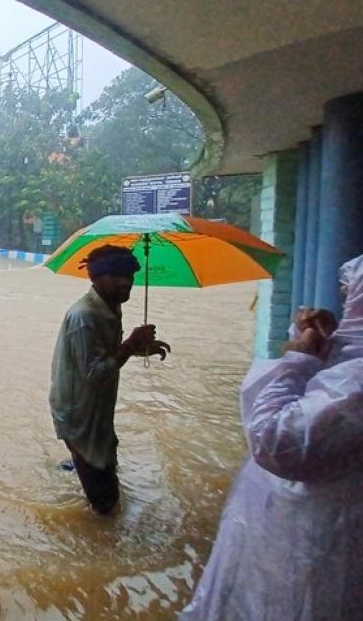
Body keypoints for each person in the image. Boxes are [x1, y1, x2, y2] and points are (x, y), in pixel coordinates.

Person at [179, 253, 363, 621]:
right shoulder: (349, 367)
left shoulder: (356, 383)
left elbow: (273, 439)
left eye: (350, 296)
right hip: (288, 545)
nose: (345, 304)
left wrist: (298, 359)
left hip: (307, 554)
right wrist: (321, 347)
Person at [49, 245, 170, 514]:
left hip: (96, 408)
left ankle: (76, 468)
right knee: (105, 503)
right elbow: (93, 373)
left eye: (129, 275)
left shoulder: (109, 307)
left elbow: (104, 355)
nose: (126, 282)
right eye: (116, 275)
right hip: (79, 413)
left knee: (105, 460)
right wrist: (130, 344)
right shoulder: (85, 316)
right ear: (96, 279)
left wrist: (138, 349)